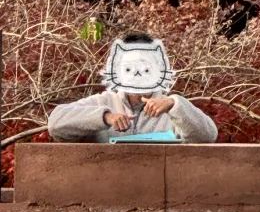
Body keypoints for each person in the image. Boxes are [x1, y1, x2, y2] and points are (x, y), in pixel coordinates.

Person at [47, 32, 218, 143]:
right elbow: (55, 124)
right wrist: (105, 117)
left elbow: (208, 137)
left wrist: (175, 104)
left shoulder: (171, 108)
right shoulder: (103, 102)